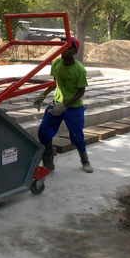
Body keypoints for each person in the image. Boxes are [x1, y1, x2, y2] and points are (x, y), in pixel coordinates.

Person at [33, 37, 93, 173]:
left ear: (75, 51)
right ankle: (48, 163)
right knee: (43, 131)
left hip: (74, 108)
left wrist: (65, 105)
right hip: (56, 104)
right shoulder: (56, 63)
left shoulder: (79, 70)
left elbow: (81, 92)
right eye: (63, 47)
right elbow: (55, 82)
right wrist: (43, 95)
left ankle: (85, 160)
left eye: (69, 48)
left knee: (77, 136)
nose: (65, 50)